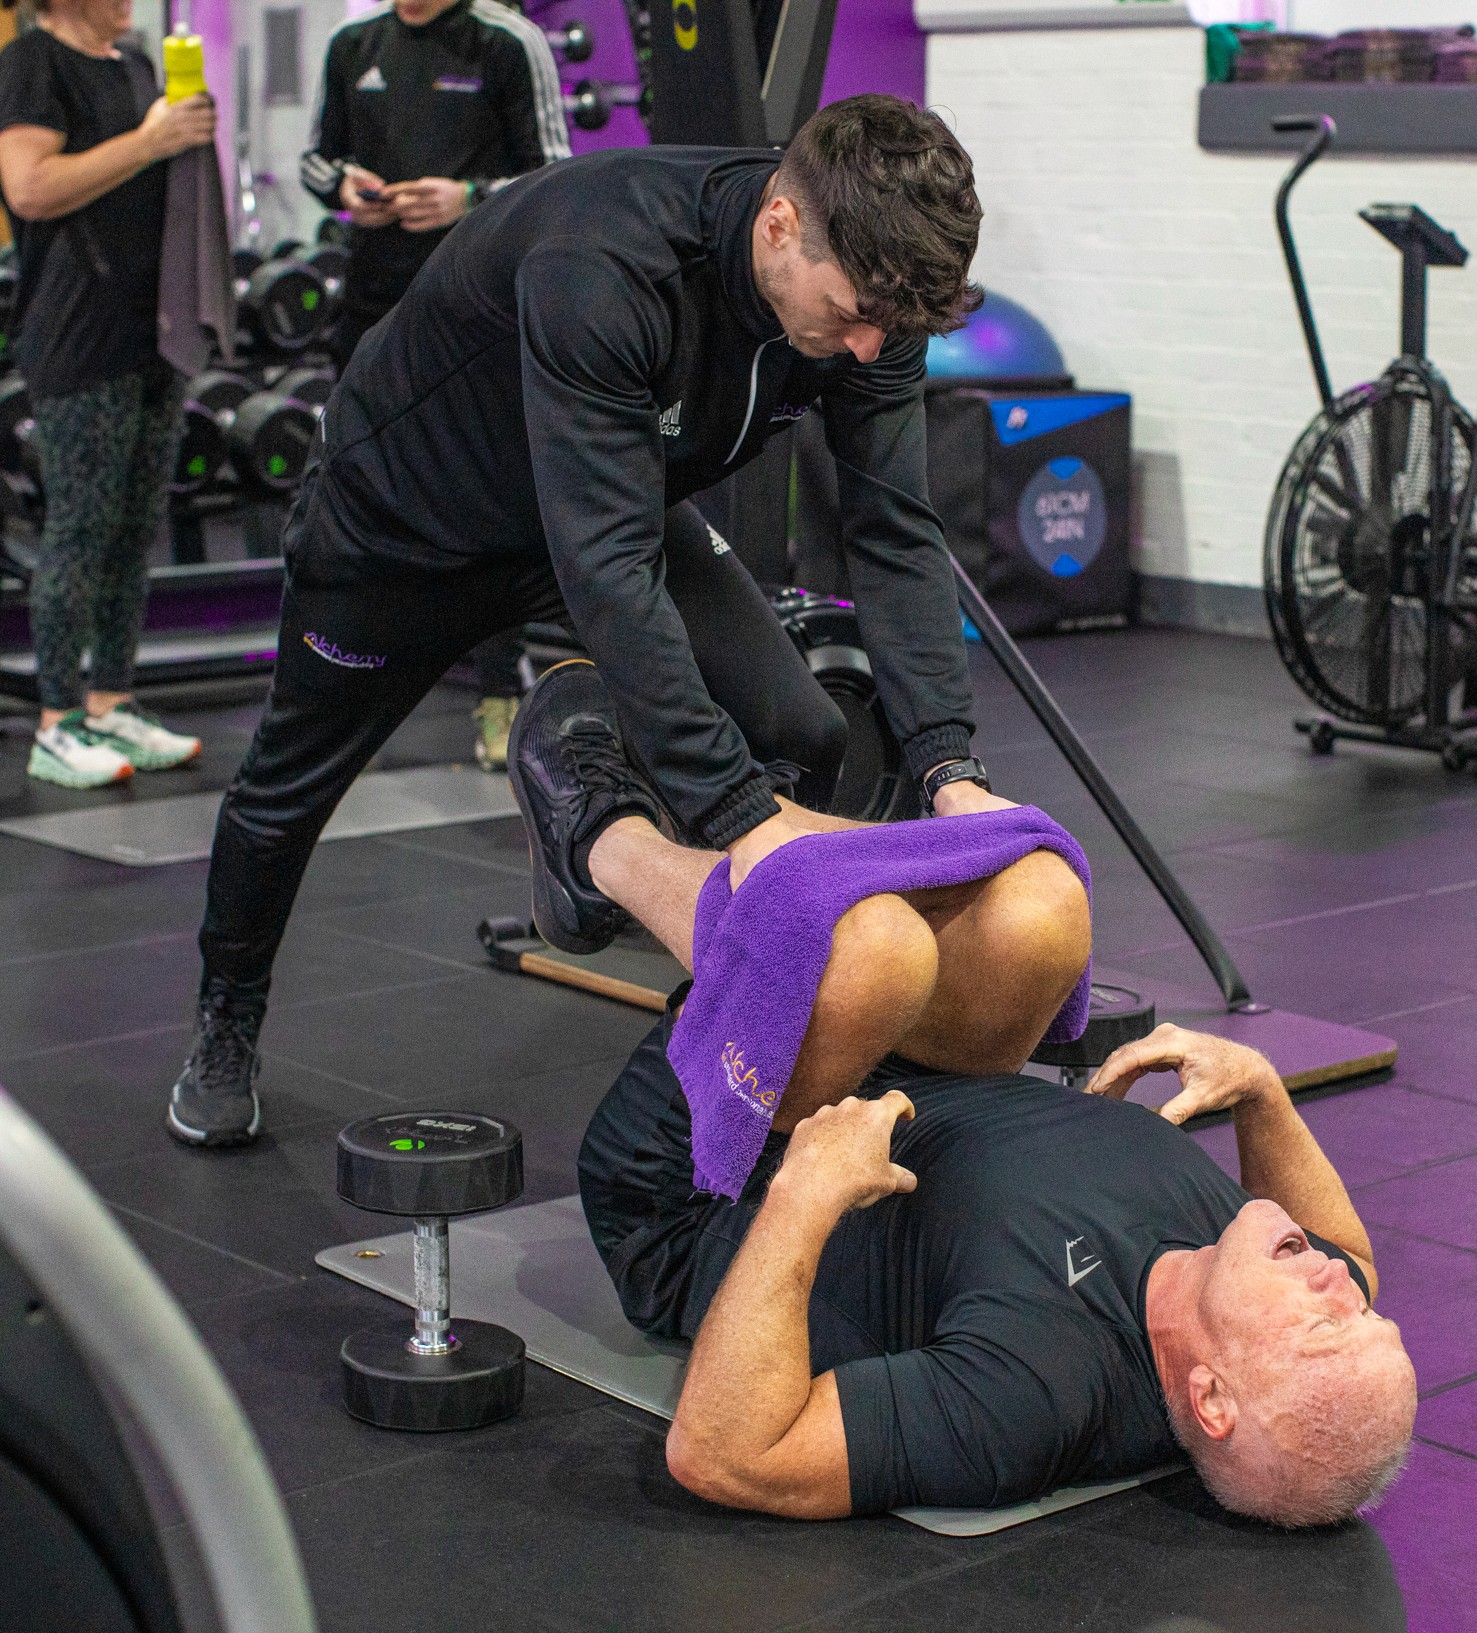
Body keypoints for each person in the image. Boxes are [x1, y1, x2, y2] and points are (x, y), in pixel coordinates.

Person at [167, 95, 988, 1148]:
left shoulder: (875, 302)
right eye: (857, 311)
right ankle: (224, 1019)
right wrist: (740, 816)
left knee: (804, 731)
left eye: (894, 325)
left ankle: (675, 969)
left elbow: (894, 531)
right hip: (403, 530)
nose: (870, 346)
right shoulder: (606, 261)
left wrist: (946, 765)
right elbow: (607, 572)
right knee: (288, 790)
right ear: (778, 225)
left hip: (602, 506)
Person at [543, 697, 1415, 1520]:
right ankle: (770, 827)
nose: (1336, 1283)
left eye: (1322, 1327)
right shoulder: (1263, 1263)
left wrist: (801, 1198)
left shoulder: (1036, 1394)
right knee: (1043, 908)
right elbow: (1361, 1256)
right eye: (1371, 1318)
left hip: (705, 1189)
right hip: (895, 1078)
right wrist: (1263, 1093)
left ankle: (602, 841)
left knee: (867, 949)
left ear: (1212, 1399)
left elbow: (727, 1454)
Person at [297, 0, 571, 770]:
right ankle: (339, 681)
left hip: (474, 304)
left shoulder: (506, 41)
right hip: (372, 300)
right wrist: (344, 184)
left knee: (485, 499)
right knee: (348, 483)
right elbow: (315, 160)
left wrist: (470, 199)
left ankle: (500, 698)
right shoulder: (355, 44)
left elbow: (557, 173)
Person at [0, 0, 219, 789]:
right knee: (81, 527)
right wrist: (151, 139)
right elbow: (30, 187)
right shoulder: (33, 63)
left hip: (150, 323)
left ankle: (112, 697)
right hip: (75, 329)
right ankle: (57, 720)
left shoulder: (137, 66)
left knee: (133, 527)